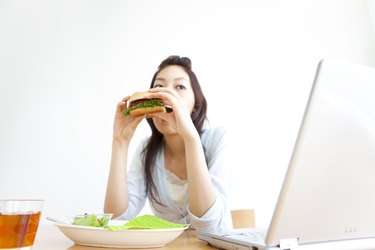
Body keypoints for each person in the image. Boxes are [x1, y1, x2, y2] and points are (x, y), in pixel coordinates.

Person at [104, 55, 231, 232]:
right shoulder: (146, 151)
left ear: (195, 104)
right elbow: (116, 219)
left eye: (180, 86)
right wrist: (120, 142)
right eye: (159, 86)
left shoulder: (218, 139)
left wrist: (190, 137)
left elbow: (208, 225)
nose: (166, 93)